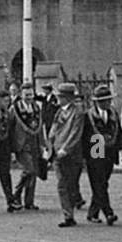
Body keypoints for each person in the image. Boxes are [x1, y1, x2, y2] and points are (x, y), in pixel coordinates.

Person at [47, 82, 85, 227]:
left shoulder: (78, 112)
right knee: (62, 184)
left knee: (72, 184)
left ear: (68, 98)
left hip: (72, 154)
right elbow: (53, 130)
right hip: (58, 154)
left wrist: (66, 148)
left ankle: (91, 211)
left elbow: (75, 133)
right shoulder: (59, 112)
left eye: (60, 96)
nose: (58, 98)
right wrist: (49, 147)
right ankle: (68, 216)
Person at [83, 85, 120, 225]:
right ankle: (108, 213)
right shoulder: (89, 115)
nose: (107, 103)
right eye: (104, 101)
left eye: (108, 100)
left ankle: (92, 213)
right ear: (97, 102)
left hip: (110, 152)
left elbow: (119, 131)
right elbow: (85, 136)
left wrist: (121, 149)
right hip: (95, 151)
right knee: (99, 184)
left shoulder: (113, 114)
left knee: (102, 183)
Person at [10, 81, 44, 210]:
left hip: (34, 143)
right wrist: (12, 150)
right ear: (21, 94)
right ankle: (16, 194)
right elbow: (10, 128)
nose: (29, 97)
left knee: (33, 173)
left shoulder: (36, 107)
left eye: (31, 94)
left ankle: (29, 201)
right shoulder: (15, 108)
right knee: (29, 170)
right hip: (21, 144)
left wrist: (42, 144)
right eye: (26, 95)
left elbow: (40, 127)